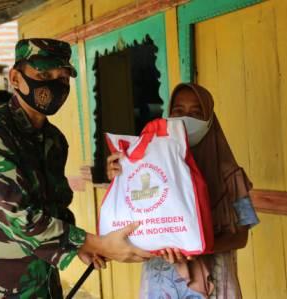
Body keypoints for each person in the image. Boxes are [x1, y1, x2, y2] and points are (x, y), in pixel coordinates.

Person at [0, 38, 152, 298]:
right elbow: (18, 217)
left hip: (39, 283)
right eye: (43, 74)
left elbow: (55, 205)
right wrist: (97, 243)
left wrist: (80, 247)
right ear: (16, 78)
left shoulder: (53, 140)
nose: (53, 84)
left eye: (62, 77)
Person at [107, 83, 260, 299]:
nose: (185, 118)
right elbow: (133, 215)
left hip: (215, 283)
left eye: (196, 113)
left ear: (209, 120)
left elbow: (241, 237)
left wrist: (193, 248)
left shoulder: (230, 174)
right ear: (169, 115)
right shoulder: (151, 163)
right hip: (161, 283)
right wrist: (120, 177)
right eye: (178, 111)